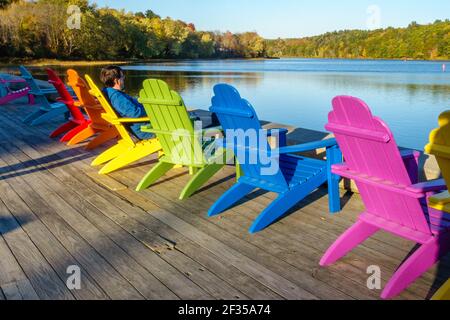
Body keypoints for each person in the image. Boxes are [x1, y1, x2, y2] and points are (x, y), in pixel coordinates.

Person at [100, 66, 154, 140]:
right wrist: (152, 110)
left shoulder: (110, 92)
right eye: (122, 77)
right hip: (143, 130)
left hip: (143, 125)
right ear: (116, 80)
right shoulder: (117, 97)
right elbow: (134, 113)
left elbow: (130, 106)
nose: (124, 79)